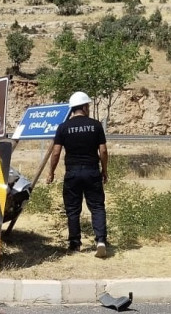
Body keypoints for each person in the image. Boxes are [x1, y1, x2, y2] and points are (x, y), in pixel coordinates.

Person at [47, 91, 109, 258]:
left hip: (72, 173)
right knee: (97, 207)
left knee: (73, 209)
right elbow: (103, 151)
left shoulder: (63, 127)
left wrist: (51, 172)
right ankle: (101, 240)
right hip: (92, 171)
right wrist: (104, 170)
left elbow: (56, 153)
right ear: (84, 107)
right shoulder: (96, 125)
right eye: (87, 106)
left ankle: (75, 244)